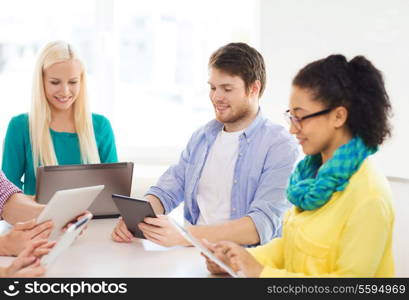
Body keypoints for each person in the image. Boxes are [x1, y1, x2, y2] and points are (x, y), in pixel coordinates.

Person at [203, 54, 395, 277]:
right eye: (291, 116)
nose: (293, 129)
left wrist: (261, 273)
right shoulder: (311, 177)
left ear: (338, 116)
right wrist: (238, 260)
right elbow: (291, 247)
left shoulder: (369, 197)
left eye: (300, 117)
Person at [112, 42, 299, 247]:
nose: (216, 97)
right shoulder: (203, 137)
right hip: (194, 254)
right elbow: (167, 190)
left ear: (254, 88)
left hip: (243, 262)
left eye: (227, 89)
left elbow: (261, 225)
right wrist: (134, 218)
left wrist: (186, 235)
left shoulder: (280, 146)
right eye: (212, 87)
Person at [2, 41, 118, 195]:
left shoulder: (101, 126)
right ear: (41, 81)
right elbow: (7, 197)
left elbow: (114, 191)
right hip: (37, 219)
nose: (65, 91)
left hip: (92, 219)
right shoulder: (20, 127)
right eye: (55, 82)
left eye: (73, 82)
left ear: (81, 81)